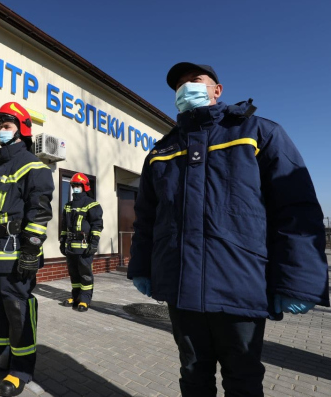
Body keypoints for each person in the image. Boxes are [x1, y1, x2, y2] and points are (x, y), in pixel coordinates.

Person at [128, 62, 329, 397]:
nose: (186, 88)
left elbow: (295, 208)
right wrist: (141, 267)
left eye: (195, 80)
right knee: (193, 374)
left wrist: (299, 280)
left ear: (217, 90)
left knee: (243, 379)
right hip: (181, 289)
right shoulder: (162, 151)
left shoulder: (257, 133)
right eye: (179, 85)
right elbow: (146, 218)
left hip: (240, 287)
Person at [0, 102, 54, 397]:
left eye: (6, 126)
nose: (1, 131)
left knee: (18, 312)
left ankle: (21, 369)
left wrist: (30, 252)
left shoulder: (33, 166)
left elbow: (39, 214)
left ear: (22, 130)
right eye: (0, 127)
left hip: (16, 256)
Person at [59, 173, 103, 312]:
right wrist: (62, 242)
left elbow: (97, 226)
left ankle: (85, 299)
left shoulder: (92, 204)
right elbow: (64, 226)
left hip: (84, 247)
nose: (75, 188)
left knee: (85, 274)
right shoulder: (68, 206)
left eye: (78, 185)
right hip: (70, 247)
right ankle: (76, 297)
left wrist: (93, 244)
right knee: (74, 274)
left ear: (85, 187)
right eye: (73, 185)